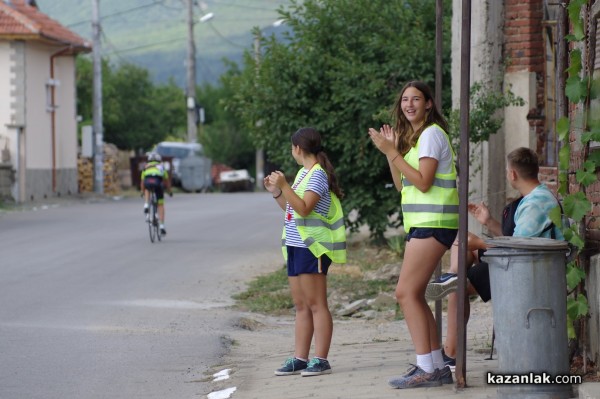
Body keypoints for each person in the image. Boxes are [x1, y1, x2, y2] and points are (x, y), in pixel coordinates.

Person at [425, 147, 564, 370]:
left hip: (527, 269)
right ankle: (452, 276)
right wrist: (488, 222)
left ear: (513, 174)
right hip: (517, 260)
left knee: (458, 285)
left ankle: (450, 353)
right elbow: (515, 239)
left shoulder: (537, 203)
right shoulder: (531, 198)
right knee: (463, 244)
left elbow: (518, 248)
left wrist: (480, 243)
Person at [368, 81, 458, 389]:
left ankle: (427, 368)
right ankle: (435, 366)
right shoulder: (417, 139)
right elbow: (401, 184)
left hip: (434, 224)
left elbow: (422, 182)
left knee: (405, 294)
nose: (409, 104)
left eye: (416, 99)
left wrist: (392, 151)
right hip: (425, 224)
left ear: (429, 104)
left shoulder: (432, 134)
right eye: (405, 99)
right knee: (414, 294)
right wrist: (391, 154)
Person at [264, 127, 347, 377]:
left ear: (297, 148)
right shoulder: (303, 173)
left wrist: (285, 185)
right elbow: (290, 208)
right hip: (295, 245)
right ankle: (300, 358)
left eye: (292, 147)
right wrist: (277, 192)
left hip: (313, 247)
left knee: (316, 304)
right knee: (301, 305)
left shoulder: (317, 176)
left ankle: (321, 359)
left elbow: (304, 208)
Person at [140, 152, 172, 235]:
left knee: (147, 188)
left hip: (148, 182)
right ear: (159, 160)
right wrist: (169, 191)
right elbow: (166, 181)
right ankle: (161, 226)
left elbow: (142, 182)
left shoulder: (145, 167)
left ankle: (146, 204)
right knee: (160, 205)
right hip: (158, 183)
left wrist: (141, 192)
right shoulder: (161, 167)